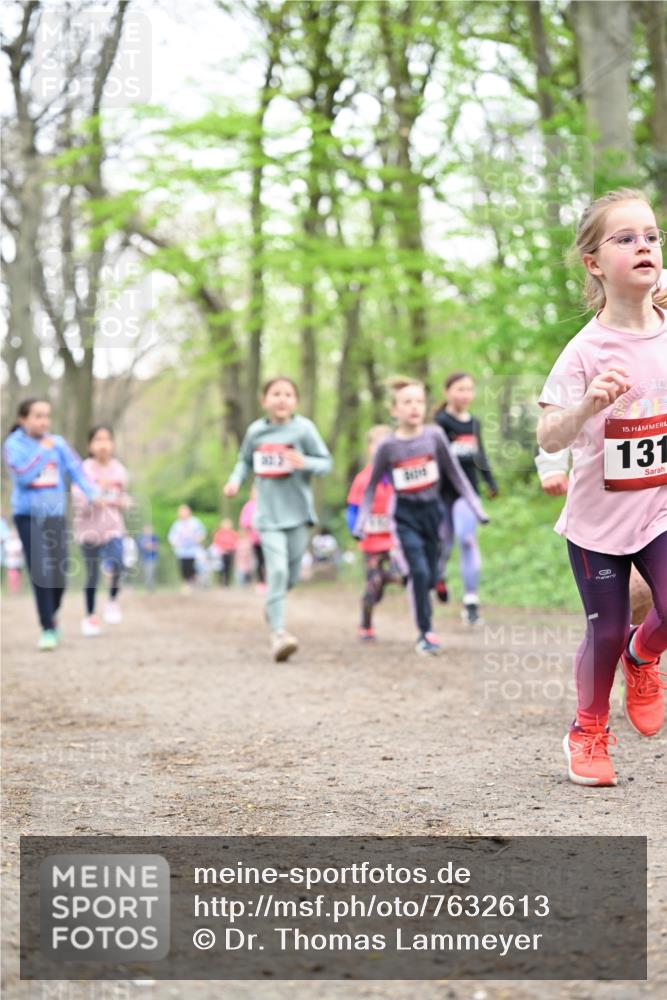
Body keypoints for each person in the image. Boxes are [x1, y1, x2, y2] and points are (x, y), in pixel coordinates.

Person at [537, 188, 667, 787]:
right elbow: (548, 433)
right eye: (626, 238)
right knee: (607, 629)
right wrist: (588, 405)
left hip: (659, 509)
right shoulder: (584, 352)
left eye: (652, 236)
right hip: (598, 523)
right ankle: (587, 730)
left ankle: (644, 655)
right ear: (594, 263)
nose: (644, 246)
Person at [355, 377, 488, 655]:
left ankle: (436, 581)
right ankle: (425, 632)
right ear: (394, 410)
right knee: (418, 571)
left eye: (419, 401)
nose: (414, 407)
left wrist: (476, 507)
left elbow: (456, 474)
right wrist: (361, 523)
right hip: (405, 516)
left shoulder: (434, 436)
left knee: (430, 573)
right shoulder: (388, 447)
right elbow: (370, 488)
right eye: (407, 402)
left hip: (433, 512)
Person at [223, 375, 332, 661]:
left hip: (298, 515)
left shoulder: (304, 429)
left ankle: (273, 605)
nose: (282, 399)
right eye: (275, 394)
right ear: (264, 400)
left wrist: (305, 462)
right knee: (278, 572)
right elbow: (244, 461)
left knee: (291, 577)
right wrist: (234, 481)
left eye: (288, 394)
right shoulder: (256, 432)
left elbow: (326, 462)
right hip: (267, 516)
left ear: (295, 401)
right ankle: (279, 634)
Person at [3, 398, 99, 649]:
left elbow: (76, 469)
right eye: (38, 416)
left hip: (55, 515)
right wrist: (42, 452)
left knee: (59, 574)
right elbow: (23, 477)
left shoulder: (58, 443)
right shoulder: (14, 445)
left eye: (47, 416)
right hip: (28, 516)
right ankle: (47, 628)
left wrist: (93, 493)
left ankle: (52, 613)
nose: (44, 421)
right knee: (41, 571)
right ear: (23, 419)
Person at [535, 446, 653, 625]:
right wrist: (552, 466)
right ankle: (620, 636)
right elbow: (555, 428)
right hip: (609, 505)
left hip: (657, 500)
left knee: (652, 598)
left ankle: (633, 639)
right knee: (636, 595)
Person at [433, 372, 498, 625]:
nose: (465, 395)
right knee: (444, 543)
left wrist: (490, 482)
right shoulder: (439, 422)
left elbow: (480, 454)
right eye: (460, 389)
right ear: (447, 391)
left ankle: (471, 601)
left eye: (469, 389)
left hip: (467, 493)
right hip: (441, 493)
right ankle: (438, 576)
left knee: (467, 539)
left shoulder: (474, 423)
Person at [346, 425, 406, 641]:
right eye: (376, 445)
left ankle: (387, 579)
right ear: (369, 448)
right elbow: (352, 509)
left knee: (404, 577)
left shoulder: (400, 475)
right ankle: (365, 625)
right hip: (371, 542)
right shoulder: (362, 479)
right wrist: (355, 530)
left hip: (394, 541)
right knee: (374, 585)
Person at [72, 425, 131, 636]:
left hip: (113, 527)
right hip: (88, 529)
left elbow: (122, 497)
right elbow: (77, 499)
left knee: (119, 562)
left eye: (107, 439)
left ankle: (112, 601)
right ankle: (90, 617)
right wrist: (93, 498)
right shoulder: (83, 469)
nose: (103, 444)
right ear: (90, 445)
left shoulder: (120, 470)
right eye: (97, 440)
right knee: (92, 575)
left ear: (113, 444)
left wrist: (124, 502)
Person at [167, 505, 206, 594]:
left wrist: (198, 539)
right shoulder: (177, 524)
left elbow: (202, 533)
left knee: (193, 567)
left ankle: (194, 582)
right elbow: (172, 537)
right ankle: (186, 584)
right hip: (182, 551)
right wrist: (175, 543)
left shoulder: (195, 522)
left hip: (193, 550)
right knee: (183, 568)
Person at [240, 486, 266, 592]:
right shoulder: (248, 506)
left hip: (268, 538)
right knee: (259, 561)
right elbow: (244, 522)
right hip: (256, 539)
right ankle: (261, 582)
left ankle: (271, 581)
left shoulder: (266, 503)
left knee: (269, 561)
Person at [212, 518, 238, 587]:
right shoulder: (219, 533)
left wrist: (232, 549)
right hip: (221, 553)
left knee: (228, 568)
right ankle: (220, 581)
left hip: (230, 552)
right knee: (220, 567)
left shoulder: (232, 533)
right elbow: (216, 542)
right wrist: (221, 549)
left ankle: (227, 582)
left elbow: (235, 541)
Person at [137, 525, 160, 590]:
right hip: (144, 558)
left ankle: (151, 586)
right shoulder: (141, 537)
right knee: (146, 573)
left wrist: (150, 546)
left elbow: (156, 547)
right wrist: (149, 546)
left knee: (151, 572)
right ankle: (148, 586)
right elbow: (142, 547)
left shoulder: (154, 537)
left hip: (152, 558)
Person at [4, 528, 25, 594]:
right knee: (11, 576)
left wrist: (15, 553)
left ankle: (18, 590)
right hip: (10, 562)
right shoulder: (8, 542)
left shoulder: (18, 541)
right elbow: (6, 551)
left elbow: (20, 551)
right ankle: (13, 590)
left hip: (18, 562)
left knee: (17, 576)